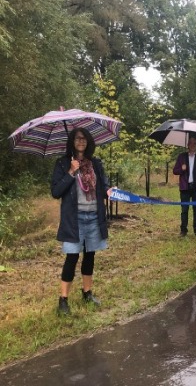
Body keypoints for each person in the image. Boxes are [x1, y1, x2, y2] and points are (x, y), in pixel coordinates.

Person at [51, 128, 114, 316]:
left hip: (94, 217)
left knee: (90, 255)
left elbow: (103, 186)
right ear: (72, 141)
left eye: (84, 138)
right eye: (78, 138)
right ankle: (63, 300)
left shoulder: (95, 163)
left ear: (89, 142)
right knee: (72, 257)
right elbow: (55, 192)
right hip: (74, 219)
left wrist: (110, 190)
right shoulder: (63, 164)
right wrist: (71, 172)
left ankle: (87, 293)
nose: (81, 141)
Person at [172, 136, 196, 237]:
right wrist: (182, 169)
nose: (193, 145)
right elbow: (175, 171)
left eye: (195, 143)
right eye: (191, 143)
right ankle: (183, 231)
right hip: (185, 188)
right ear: (187, 145)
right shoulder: (181, 157)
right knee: (184, 210)